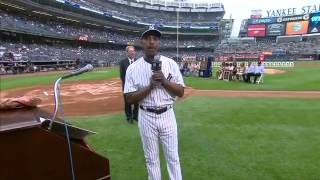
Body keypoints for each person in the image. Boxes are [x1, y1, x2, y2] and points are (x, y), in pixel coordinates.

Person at [124, 28, 184, 180]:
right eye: (148, 38)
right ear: (142, 42)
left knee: (173, 158)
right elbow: (129, 99)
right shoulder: (133, 68)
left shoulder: (170, 64)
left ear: (159, 43)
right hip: (146, 116)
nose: (151, 42)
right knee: (151, 159)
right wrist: (150, 86)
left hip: (167, 115)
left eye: (155, 39)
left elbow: (181, 92)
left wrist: (164, 81)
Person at [119, 45, 139, 123]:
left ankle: (135, 116)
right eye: (130, 51)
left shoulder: (138, 61)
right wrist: (129, 85)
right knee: (127, 103)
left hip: (137, 86)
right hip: (127, 87)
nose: (132, 53)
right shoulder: (123, 62)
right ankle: (129, 117)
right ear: (127, 53)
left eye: (133, 51)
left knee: (137, 102)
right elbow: (122, 76)